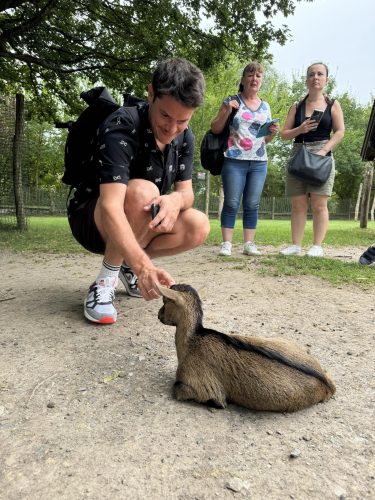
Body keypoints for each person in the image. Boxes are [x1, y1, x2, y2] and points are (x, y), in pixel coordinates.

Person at [67, 57, 210, 324]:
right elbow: (111, 205)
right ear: (151, 93)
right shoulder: (123, 124)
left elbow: (187, 193)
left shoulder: (184, 137)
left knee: (198, 224)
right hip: (91, 219)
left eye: (183, 121)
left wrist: (175, 200)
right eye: (165, 115)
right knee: (143, 193)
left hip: (138, 221)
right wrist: (145, 267)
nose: (171, 128)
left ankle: (127, 263)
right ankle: (105, 282)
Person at [210, 62, 279, 257]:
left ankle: (249, 244)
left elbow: (265, 139)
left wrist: (272, 133)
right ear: (242, 79)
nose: (254, 79)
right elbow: (215, 128)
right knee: (231, 202)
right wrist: (225, 110)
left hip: (259, 162)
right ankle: (227, 244)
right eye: (250, 75)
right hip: (234, 159)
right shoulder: (233, 101)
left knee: (252, 204)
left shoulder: (266, 106)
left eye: (258, 76)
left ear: (261, 80)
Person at [279, 62, 345, 257]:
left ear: (326, 79)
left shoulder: (333, 104)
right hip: (298, 154)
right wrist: (300, 129)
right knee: (298, 204)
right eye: (311, 74)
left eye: (320, 74)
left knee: (319, 204)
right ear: (306, 80)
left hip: (321, 156)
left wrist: (324, 150)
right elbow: (284, 134)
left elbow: (340, 131)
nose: (315, 77)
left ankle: (317, 246)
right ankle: (295, 245)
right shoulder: (296, 106)